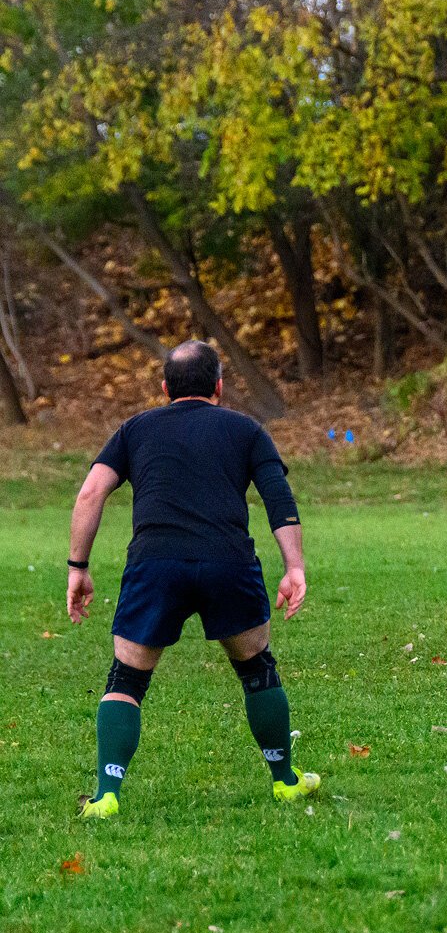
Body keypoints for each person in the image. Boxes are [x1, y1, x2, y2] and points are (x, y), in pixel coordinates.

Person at [67, 341, 316, 818]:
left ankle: (107, 795)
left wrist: (78, 568)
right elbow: (279, 500)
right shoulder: (246, 430)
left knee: (126, 679)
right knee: (257, 668)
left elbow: (90, 493)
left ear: (164, 388)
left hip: (154, 564)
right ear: (219, 387)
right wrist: (294, 567)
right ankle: (285, 781)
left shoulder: (135, 430)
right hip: (228, 563)